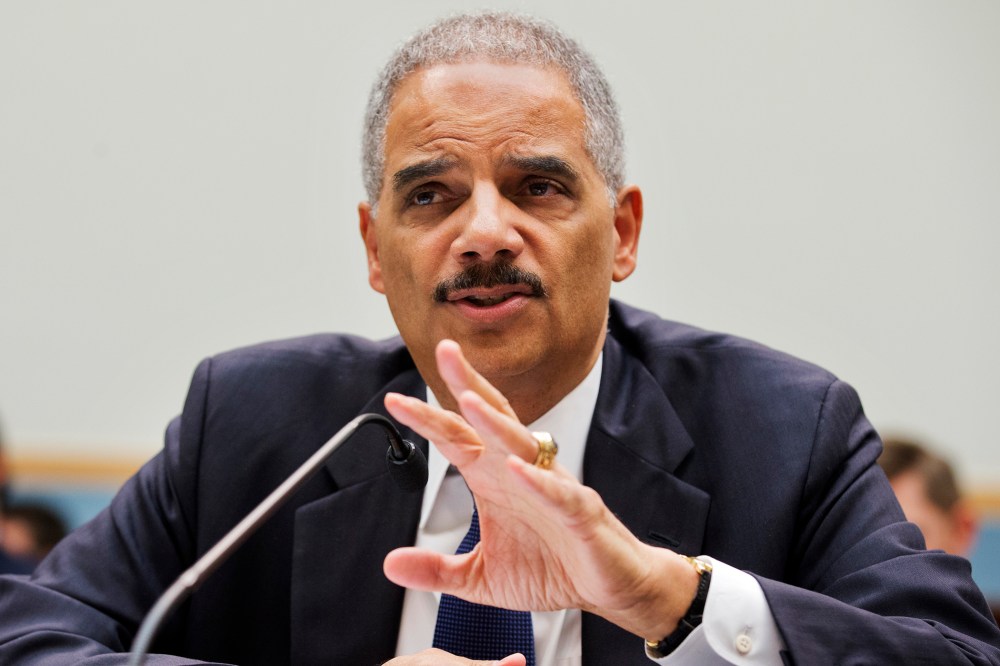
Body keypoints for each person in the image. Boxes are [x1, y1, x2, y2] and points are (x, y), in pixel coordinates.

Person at [0, 11, 998, 665]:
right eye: (430, 195)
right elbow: (30, 633)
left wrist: (670, 597)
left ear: (623, 234)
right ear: (375, 250)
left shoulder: (782, 432)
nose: (483, 232)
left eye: (538, 186)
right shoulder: (251, 423)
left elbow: (954, 653)